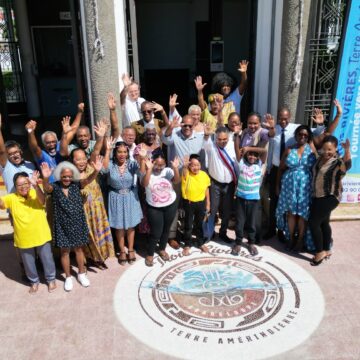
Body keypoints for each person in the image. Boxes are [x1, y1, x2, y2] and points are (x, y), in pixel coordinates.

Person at [265, 100, 342, 240]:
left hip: (304, 184)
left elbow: (326, 133)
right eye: (281, 118)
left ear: (290, 117)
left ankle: (297, 237)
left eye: (286, 118)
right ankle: (278, 231)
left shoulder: (303, 134)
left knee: (301, 212)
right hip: (281, 173)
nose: (283, 121)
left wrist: (330, 119)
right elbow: (269, 138)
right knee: (279, 206)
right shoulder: (274, 129)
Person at [41, 158, 103, 291]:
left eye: (69, 176)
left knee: (79, 249)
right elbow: (46, 188)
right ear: (59, 176)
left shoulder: (77, 184)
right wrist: (45, 178)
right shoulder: (55, 187)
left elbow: (88, 180)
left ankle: (81, 274)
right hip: (61, 225)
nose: (67, 179)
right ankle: (68, 277)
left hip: (77, 222)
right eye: (64, 176)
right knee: (64, 252)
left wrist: (96, 171)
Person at [0, 171, 56, 294]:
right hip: (24, 237)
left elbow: (42, 202)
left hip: (41, 233)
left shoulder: (35, 192)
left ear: (29, 183)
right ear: (15, 186)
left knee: (47, 259)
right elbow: (1, 203)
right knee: (28, 263)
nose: (23, 186)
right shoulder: (11, 197)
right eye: (19, 185)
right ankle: (34, 282)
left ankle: (51, 279)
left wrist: (36, 186)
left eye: (26, 183)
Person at [162, 115, 205, 248]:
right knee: (174, 206)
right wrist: (170, 126)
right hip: (177, 175)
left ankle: (194, 235)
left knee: (193, 207)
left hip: (193, 177)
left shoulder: (199, 137)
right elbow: (165, 139)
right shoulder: (175, 134)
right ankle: (172, 236)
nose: (186, 127)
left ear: (194, 125)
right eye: (184, 125)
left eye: (189, 125)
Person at [308, 136, 351, 265]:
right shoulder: (319, 159)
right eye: (324, 149)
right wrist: (311, 142)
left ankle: (319, 251)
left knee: (313, 223)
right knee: (324, 223)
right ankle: (327, 249)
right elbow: (315, 152)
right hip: (318, 196)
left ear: (335, 149)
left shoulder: (337, 162)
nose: (327, 152)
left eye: (330, 150)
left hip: (330, 197)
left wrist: (347, 150)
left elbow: (347, 165)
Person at [71, 148, 115, 268]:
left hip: (98, 209)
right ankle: (91, 259)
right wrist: (96, 172)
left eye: (83, 158)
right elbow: (84, 182)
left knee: (99, 233)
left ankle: (100, 258)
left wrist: (105, 144)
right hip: (84, 212)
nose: (81, 162)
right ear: (72, 161)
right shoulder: (71, 175)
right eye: (78, 159)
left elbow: (97, 153)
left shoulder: (92, 166)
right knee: (89, 237)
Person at [275, 125, 317, 251]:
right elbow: (281, 169)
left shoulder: (311, 151)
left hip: (305, 187)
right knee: (291, 213)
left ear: (308, 137)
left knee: (303, 214)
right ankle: (291, 238)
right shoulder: (289, 150)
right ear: (296, 135)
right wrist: (277, 186)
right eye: (300, 134)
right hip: (289, 186)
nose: (302, 137)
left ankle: (300, 240)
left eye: (305, 135)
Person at [103, 140, 143, 265]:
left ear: (127, 153)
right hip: (115, 196)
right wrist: (107, 150)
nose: (122, 154)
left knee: (131, 226)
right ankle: (122, 251)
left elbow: (141, 172)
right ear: (115, 153)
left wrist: (141, 158)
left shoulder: (132, 164)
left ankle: (130, 249)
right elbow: (103, 170)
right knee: (119, 226)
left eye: (124, 152)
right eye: (119, 152)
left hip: (130, 196)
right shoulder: (110, 164)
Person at [141, 152, 180, 266]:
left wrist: (176, 169)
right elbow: (144, 184)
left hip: (170, 204)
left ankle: (162, 249)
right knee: (156, 232)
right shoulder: (146, 171)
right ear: (152, 162)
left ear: (165, 164)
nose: (159, 167)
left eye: (161, 164)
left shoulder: (168, 171)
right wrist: (149, 169)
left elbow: (176, 181)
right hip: (154, 207)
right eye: (156, 164)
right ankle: (150, 254)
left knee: (166, 229)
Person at [204, 126, 237, 243]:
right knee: (213, 210)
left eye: (225, 139)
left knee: (227, 211)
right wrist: (207, 135)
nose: (222, 141)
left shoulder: (232, 145)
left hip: (229, 185)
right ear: (215, 138)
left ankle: (223, 233)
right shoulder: (211, 146)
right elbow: (205, 143)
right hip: (215, 184)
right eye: (220, 139)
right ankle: (210, 233)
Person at [232, 145, 267, 256]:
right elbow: (237, 151)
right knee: (240, 222)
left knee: (252, 223)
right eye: (250, 154)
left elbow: (264, 151)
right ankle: (238, 243)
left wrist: (250, 149)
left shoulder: (259, 165)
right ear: (246, 155)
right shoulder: (242, 164)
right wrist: (237, 136)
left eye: (254, 155)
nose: (252, 157)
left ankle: (251, 243)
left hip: (254, 199)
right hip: (240, 198)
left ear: (257, 157)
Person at [181, 154, 210, 256]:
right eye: (192, 165)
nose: (195, 167)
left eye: (197, 165)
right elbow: (184, 173)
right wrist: (184, 166)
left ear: (200, 165)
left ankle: (200, 242)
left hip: (201, 203)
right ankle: (187, 244)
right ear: (189, 166)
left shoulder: (204, 175)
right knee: (188, 225)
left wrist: (208, 204)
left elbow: (207, 189)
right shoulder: (187, 173)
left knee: (199, 224)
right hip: (189, 203)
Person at [0, 114, 35, 193]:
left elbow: (34, 149)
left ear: (20, 151)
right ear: (7, 157)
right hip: (15, 204)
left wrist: (30, 131)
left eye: (16, 152)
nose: (15, 155)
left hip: (33, 204)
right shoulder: (6, 167)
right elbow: (1, 152)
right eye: (10, 154)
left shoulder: (30, 164)